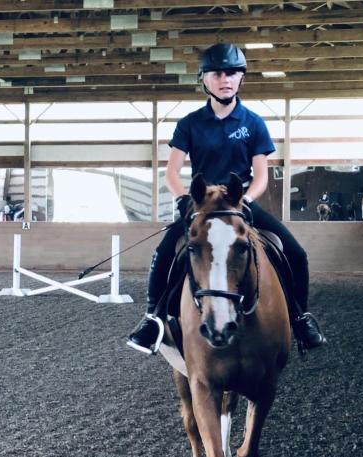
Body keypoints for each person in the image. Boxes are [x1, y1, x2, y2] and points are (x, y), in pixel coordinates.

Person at [127, 42, 327, 354]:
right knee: (163, 253)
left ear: (241, 78)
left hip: (239, 204)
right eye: (218, 73)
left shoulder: (253, 123)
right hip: (201, 205)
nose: (226, 79)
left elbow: (261, 174)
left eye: (233, 73)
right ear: (204, 79)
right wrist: (182, 199)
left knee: (297, 254)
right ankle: (151, 319)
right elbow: (171, 172)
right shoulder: (190, 124)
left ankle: (301, 318)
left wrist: (246, 199)